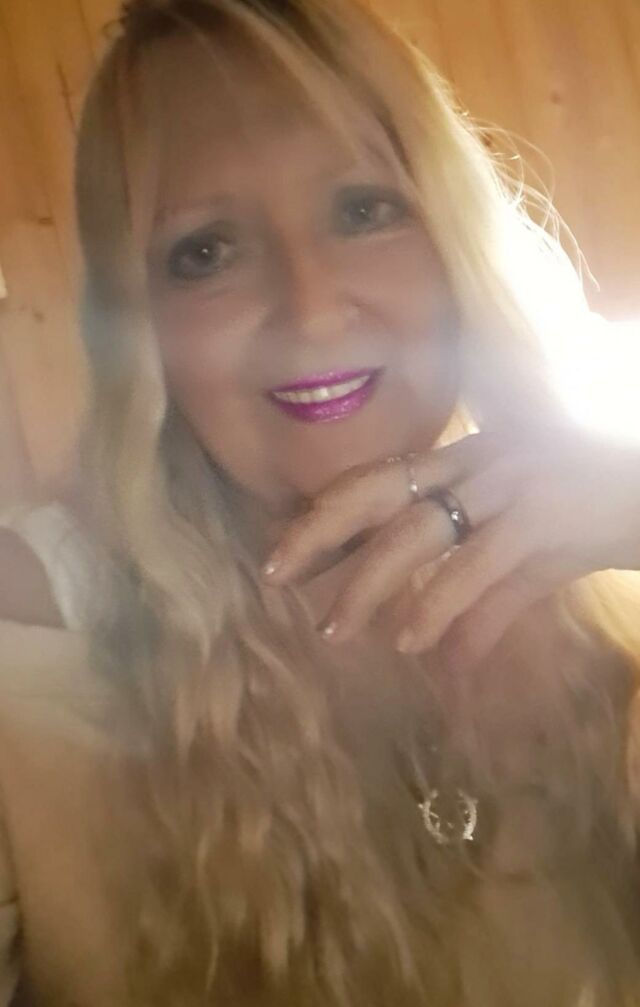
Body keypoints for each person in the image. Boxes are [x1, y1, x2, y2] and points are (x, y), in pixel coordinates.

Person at [2, 0, 640, 1003]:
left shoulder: (604, 556)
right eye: (206, 250)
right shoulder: (42, 623)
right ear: (142, 322)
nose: (311, 310)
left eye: (361, 210)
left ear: (452, 236)